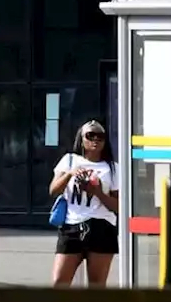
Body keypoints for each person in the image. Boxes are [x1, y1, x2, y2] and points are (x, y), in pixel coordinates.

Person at [49, 119, 119, 287]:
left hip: (102, 227)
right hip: (72, 226)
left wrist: (98, 193)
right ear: (81, 138)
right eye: (90, 135)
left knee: (96, 286)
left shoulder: (112, 168)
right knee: (59, 282)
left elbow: (118, 206)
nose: (95, 140)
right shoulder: (70, 160)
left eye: (100, 136)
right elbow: (53, 191)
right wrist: (70, 174)